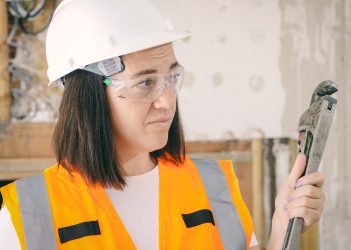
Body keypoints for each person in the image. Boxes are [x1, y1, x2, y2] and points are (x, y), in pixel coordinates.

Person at [0, 0, 325, 249]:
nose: (167, 100)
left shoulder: (212, 186)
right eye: (145, 83)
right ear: (89, 96)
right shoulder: (30, 214)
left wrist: (281, 228)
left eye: (171, 77)